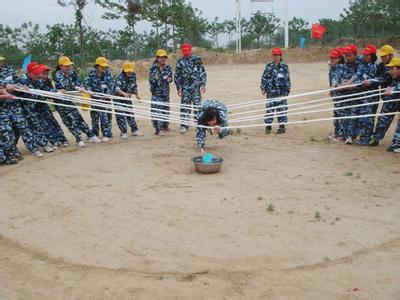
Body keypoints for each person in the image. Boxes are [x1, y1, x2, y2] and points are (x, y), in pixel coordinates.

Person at [53, 56, 101, 147]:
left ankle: (91, 135)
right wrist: (76, 87)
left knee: (78, 117)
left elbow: (77, 80)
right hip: (61, 102)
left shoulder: (72, 72)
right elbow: (65, 86)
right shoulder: (57, 75)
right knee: (70, 120)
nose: (69, 68)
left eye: (69, 65)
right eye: (66, 66)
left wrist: (80, 86)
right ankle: (79, 139)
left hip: (70, 99)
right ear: (60, 66)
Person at [0, 55, 41, 159]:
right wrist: (6, 86)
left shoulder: (8, 70)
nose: (1, 63)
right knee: (7, 131)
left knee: (24, 128)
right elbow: (5, 86)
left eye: (1, 61)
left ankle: (33, 149)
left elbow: (17, 81)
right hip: (2, 108)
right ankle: (12, 153)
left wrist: (22, 86)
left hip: (14, 105)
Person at [18, 63, 55, 153]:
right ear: (29, 73)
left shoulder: (37, 80)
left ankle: (43, 143)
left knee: (37, 126)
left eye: (38, 73)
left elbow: (45, 90)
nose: (37, 75)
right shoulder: (23, 81)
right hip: (24, 109)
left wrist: (57, 92)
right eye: (35, 74)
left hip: (34, 108)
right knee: (26, 129)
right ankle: (37, 146)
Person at [174, 43, 207, 134]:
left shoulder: (197, 59)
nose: (186, 54)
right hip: (185, 89)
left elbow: (202, 72)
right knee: (185, 107)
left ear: (191, 51)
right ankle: (184, 126)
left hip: (196, 88)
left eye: (188, 52)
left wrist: (203, 84)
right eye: (185, 52)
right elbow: (177, 75)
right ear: (182, 52)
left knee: (197, 107)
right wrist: (178, 88)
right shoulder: (180, 62)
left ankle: (199, 125)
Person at [369, 45, 396, 147]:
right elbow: (378, 78)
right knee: (383, 119)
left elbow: (383, 78)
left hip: (397, 95)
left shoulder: (397, 64)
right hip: (388, 98)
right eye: (382, 56)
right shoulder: (380, 65)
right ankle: (376, 138)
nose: (383, 57)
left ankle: (396, 143)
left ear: (391, 55)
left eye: (385, 56)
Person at [352, 44, 379, 145]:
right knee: (362, 116)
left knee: (369, 117)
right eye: (364, 55)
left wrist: (370, 82)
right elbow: (359, 76)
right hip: (363, 94)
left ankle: (366, 138)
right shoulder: (363, 63)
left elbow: (379, 79)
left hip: (372, 95)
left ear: (373, 55)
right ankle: (363, 137)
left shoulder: (376, 65)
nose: (366, 57)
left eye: (368, 55)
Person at [36, 64, 68, 147]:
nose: (45, 76)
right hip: (35, 108)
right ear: (38, 73)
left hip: (43, 104)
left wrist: (56, 93)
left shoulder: (48, 81)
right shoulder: (36, 80)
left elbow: (49, 93)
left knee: (53, 122)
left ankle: (62, 139)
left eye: (46, 74)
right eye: (43, 74)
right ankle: (53, 141)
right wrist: (56, 91)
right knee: (44, 125)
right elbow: (47, 91)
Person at [261, 47, 291, 134]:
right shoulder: (268, 66)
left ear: (280, 56)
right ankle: (268, 127)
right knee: (269, 110)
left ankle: (282, 127)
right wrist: (263, 88)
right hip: (270, 93)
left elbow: (287, 80)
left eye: (277, 55)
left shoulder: (284, 66)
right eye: (274, 55)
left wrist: (286, 92)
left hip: (281, 93)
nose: (275, 57)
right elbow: (264, 78)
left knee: (281, 110)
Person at [83, 57, 114, 142]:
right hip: (95, 100)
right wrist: (89, 91)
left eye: (105, 67)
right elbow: (86, 84)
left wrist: (108, 95)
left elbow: (111, 85)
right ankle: (95, 134)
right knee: (94, 117)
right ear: (97, 66)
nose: (104, 68)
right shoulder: (91, 74)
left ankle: (107, 134)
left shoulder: (108, 74)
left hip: (105, 99)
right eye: (102, 67)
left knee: (106, 117)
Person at [113, 61, 143, 140]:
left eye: (130, 71)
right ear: (124, 70)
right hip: (118, 98)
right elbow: (116, 88)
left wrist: (137, 95)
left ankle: (134, 130)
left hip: (127, 97)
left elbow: (134, 86)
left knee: (130, 113)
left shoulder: (133, 75)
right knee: (120, 115)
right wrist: (124, 94)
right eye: (128, 71)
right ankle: (123, 132)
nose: (129, 73)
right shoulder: (119, 77)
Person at [149, 49, 173, 136]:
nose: (162, 59)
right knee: (156, 111)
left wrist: (169, 79)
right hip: (156, 93)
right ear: (157, 58)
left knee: (166, 110)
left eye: (164, 57)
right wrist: (156, 79)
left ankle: (165, 126)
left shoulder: (168, 67)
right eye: (161, 57)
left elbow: (170, 79)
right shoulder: (152, 68)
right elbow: (151, 81)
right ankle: (158, 129)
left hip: (165, 93)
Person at [381, 57, 400, 152]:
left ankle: (397, 144)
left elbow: (396, 89)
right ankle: (397, 143)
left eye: (392, 68)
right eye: (390, 68)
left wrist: (392, 90)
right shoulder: (395, 78)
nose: (390, 71)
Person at [328, 48, 347, 141]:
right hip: (335, 94)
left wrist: (336, 86)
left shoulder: (343, 67)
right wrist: (331, 90)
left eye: (334, 58)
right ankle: (337, 132)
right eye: (331, 57)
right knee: (336, 113)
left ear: (339, 58)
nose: (332, 59)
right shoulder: (332, 67)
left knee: (342, 114)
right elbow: (332, 80)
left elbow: (342, 80)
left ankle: (343, 135)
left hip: (342, 95)